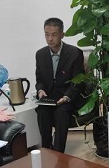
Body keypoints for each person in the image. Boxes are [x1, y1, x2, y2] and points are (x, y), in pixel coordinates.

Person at [35, 17, 84, 153]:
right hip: (49, 97)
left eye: (54, 35)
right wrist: (40, 90)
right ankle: (46, 150)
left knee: (61, 113)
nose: (50, 39)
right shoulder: (40, 54)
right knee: (42, 111)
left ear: (62, 35)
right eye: (46, 34)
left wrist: (67, 97)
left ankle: (58, 153)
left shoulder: (74, 53)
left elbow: (78, 82)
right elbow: (39, 80)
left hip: (67, 96)